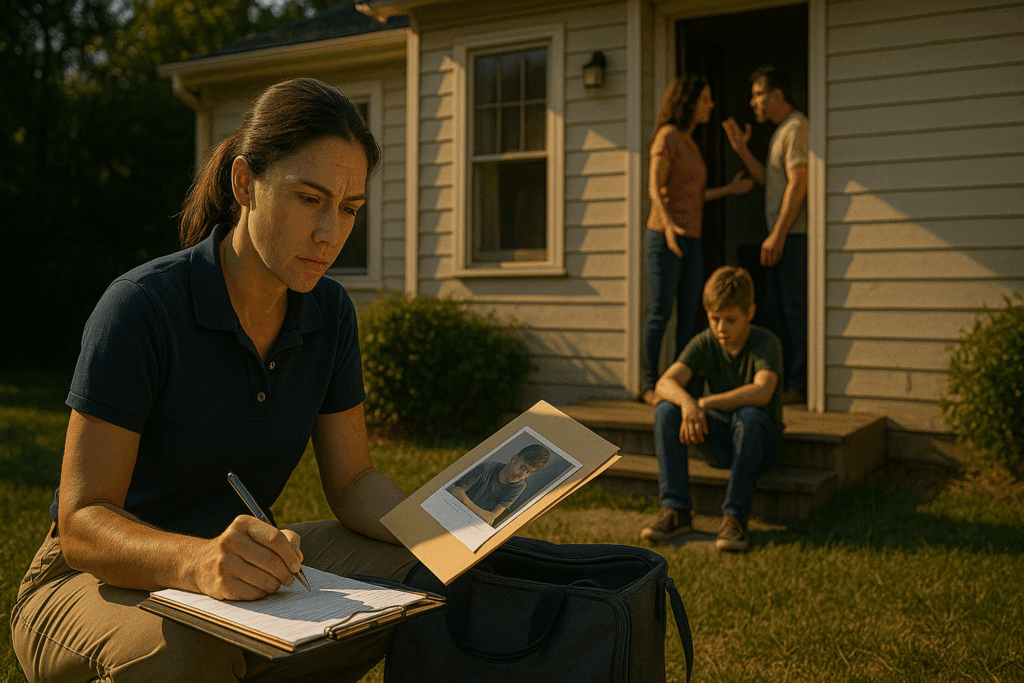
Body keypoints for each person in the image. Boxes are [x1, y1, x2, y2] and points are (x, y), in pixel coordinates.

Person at [10, 78, 419, 683]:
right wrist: (197, 561)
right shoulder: (143, 307)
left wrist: (443, 530)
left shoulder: (329, 314)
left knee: (419, 576)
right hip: (93, 580)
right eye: (310, 199)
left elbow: (355, 480)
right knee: (196, 649)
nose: (331, 233)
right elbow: (82, 523)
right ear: (245, 183)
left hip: (243, 570)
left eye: (349, 208)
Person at [640, 266, 783, 553]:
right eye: (714, 318)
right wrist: (689, 403)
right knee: (666, 411)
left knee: (750, 415)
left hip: (759, 444)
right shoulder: (706, 340)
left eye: (730, 320)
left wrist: (705, 403)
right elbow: (664, 384)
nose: (720, 328)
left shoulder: (765, 342)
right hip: (721, 441)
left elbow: (763, 389)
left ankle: (734, 519)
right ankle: (676, 510)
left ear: (750, 314)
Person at [642, 75, 755, 406]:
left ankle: (682, 386)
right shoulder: (667, 137)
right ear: (689, 101)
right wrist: (668, 228)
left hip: (691, 238)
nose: (711, 105)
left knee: (691, 313)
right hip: (666, 237)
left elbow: (692, 194)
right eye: (706, 99)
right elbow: (654, 188)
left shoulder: (689, 141)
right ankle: (650, 385)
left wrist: (728, 190)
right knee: (662, 312)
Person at [722, 64, 809, 406]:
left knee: (793, 310)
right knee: (775, 311)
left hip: (794, 236)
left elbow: (799, 181)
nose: (753, 102)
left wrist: (778, 234)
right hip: (783, 236)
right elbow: (769, 180)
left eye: (759, 94)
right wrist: (741, 149)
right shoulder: (779, 131)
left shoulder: (796, 126)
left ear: (776, 96)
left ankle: (799, 386)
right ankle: (780, 383)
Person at [450, 444, 551, 526]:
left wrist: (466, 502)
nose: (522, 475)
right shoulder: (486, 468)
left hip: (471, 525)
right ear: (514, 459)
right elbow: (457, 492)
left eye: (528, 472)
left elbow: (491, 517)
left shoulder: (519, 486)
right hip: (453, 511)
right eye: (522, 467)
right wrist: (483, 515)